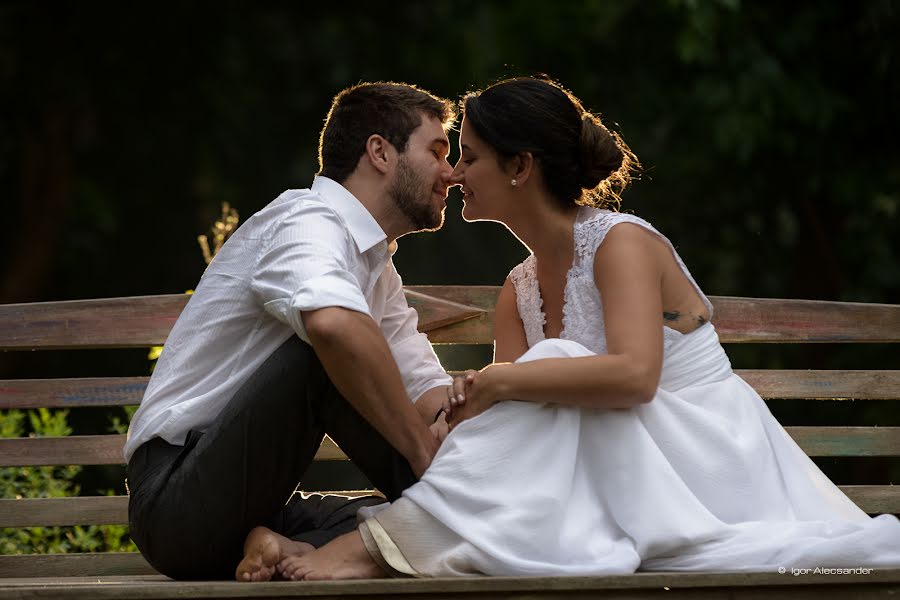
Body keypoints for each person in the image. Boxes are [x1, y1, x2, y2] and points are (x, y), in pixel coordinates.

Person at [276, 77, 900, 580]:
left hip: (706, 457)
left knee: (549, 361)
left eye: (468, 157)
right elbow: (515, 435)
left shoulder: (620, 244)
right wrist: (474, 404)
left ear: (520, 166)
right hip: (620, 471)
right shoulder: (516, 292)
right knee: (535, 381)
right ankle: (382, 539)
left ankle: (374, 546)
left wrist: (501, 383)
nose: (455, 175)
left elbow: (635, 377)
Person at [124, 81, 459, 581]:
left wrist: (470, 429)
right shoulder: (304, 220)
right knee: (328, 348)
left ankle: (277, 543)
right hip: (177, 502)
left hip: (249, 508)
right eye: (436, 152)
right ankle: (457, 512)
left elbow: (424, 387)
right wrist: (420, 451)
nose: (450, 174)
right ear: (380, 152)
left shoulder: (375, 268)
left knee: (410, 523)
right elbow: (331, 326)